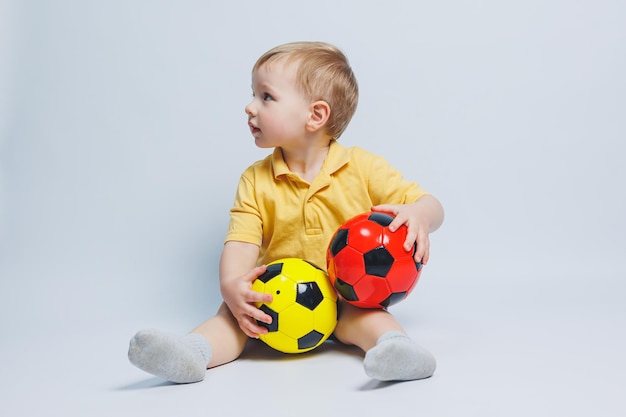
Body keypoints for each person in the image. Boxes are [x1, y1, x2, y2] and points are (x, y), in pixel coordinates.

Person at [128, 41, 444, 384]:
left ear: (316, 115)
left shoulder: (363, 167)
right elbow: (242, 242)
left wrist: (420, 214)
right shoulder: (255, 179)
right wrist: (232, 286)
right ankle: (192, 353)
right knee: (233, 320)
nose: (250, 107)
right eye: (253, 94)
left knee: (368, 317)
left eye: (266, 97)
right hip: (275, 302)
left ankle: (397, 350)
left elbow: (430, 203)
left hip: (343, 300)